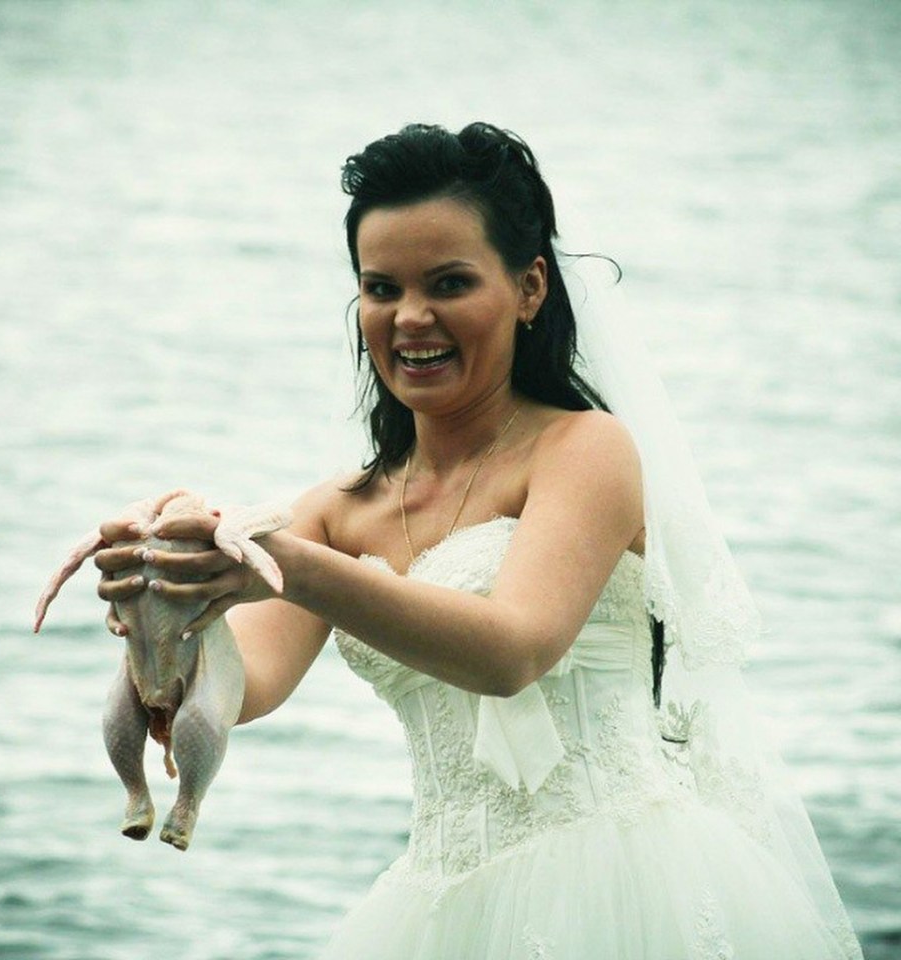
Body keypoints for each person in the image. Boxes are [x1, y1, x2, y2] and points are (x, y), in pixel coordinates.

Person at [94, 123, 863, 959]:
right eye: (381, 288)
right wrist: (165, 602)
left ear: (530, 287)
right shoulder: (334, 511)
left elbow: (513, 651)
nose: (410, 318)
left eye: (450, 283)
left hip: (627, 883)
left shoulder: (585, 448)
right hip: (440, 905)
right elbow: (245, 689)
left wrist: (294, 570)